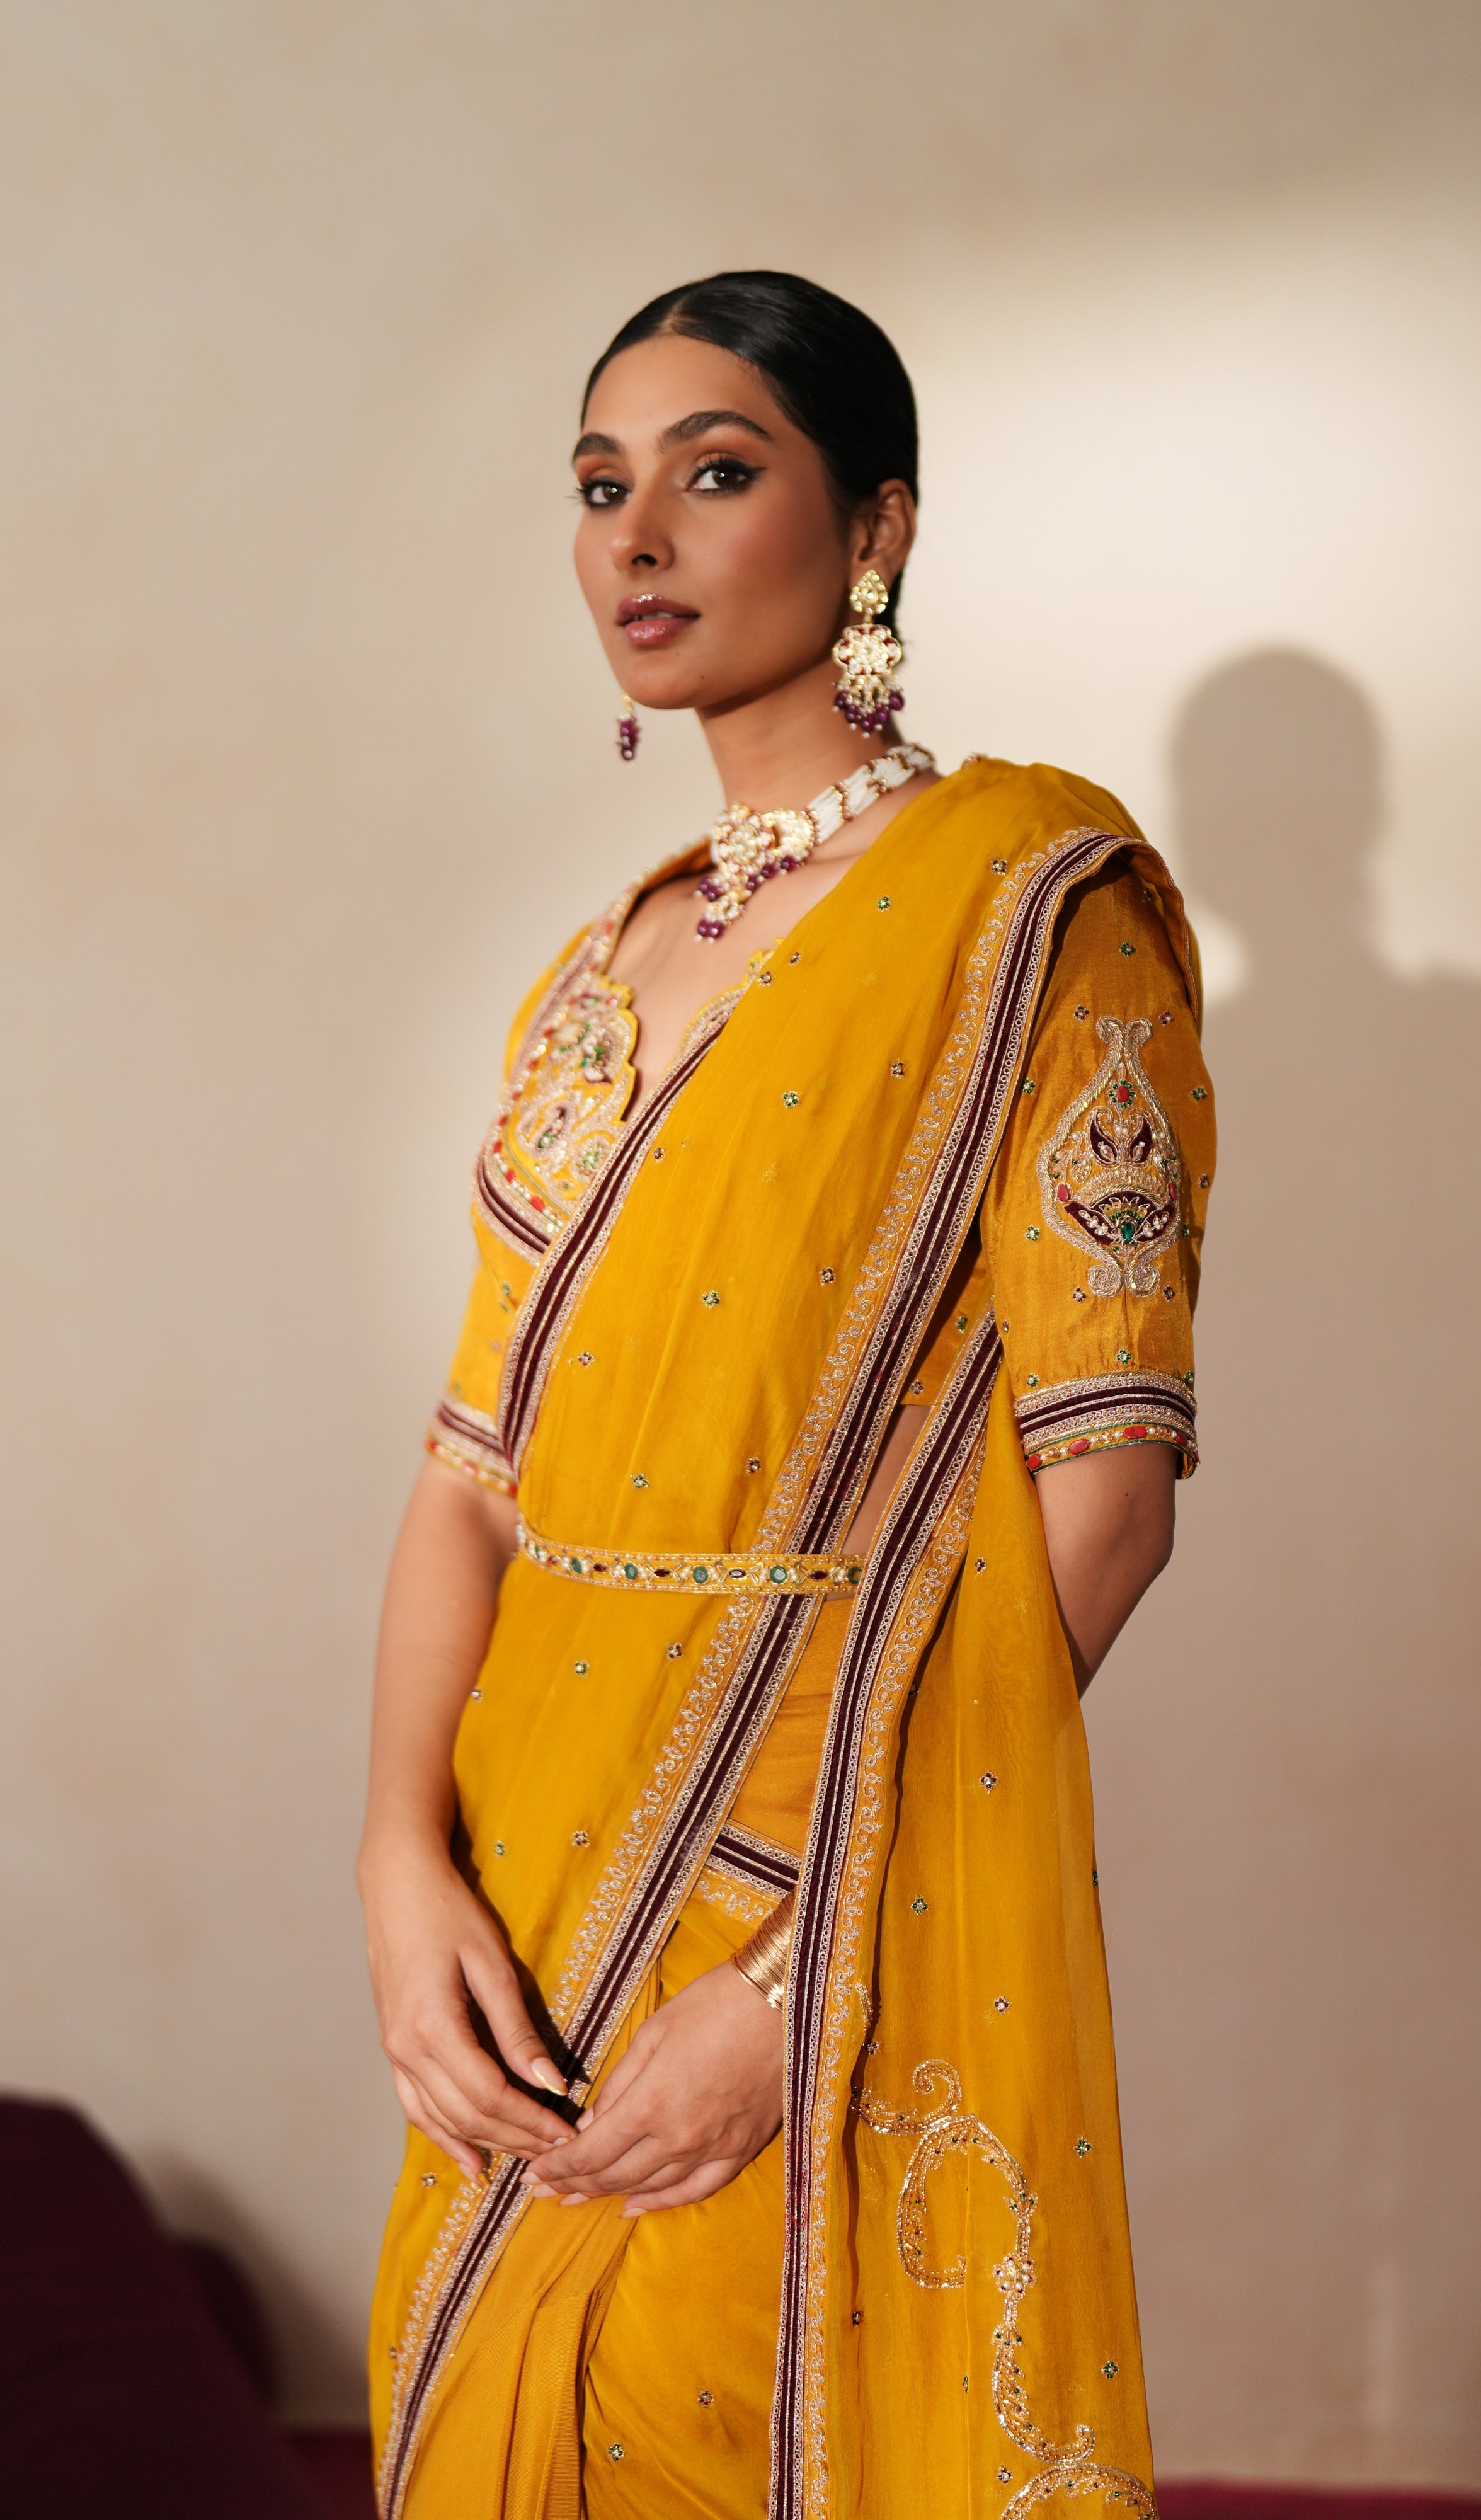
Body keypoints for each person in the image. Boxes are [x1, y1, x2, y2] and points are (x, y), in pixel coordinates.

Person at [358, 270, 1215, 2520]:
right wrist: (388, 1862)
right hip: (526, 1874)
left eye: (716, 474)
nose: (638, 537)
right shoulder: (598, 973)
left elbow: (1098, 1503)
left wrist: (794, 1955)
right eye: (598, 486)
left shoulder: (1033, 903)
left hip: (809, 1869)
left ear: (876, 534)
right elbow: (470, 1482)